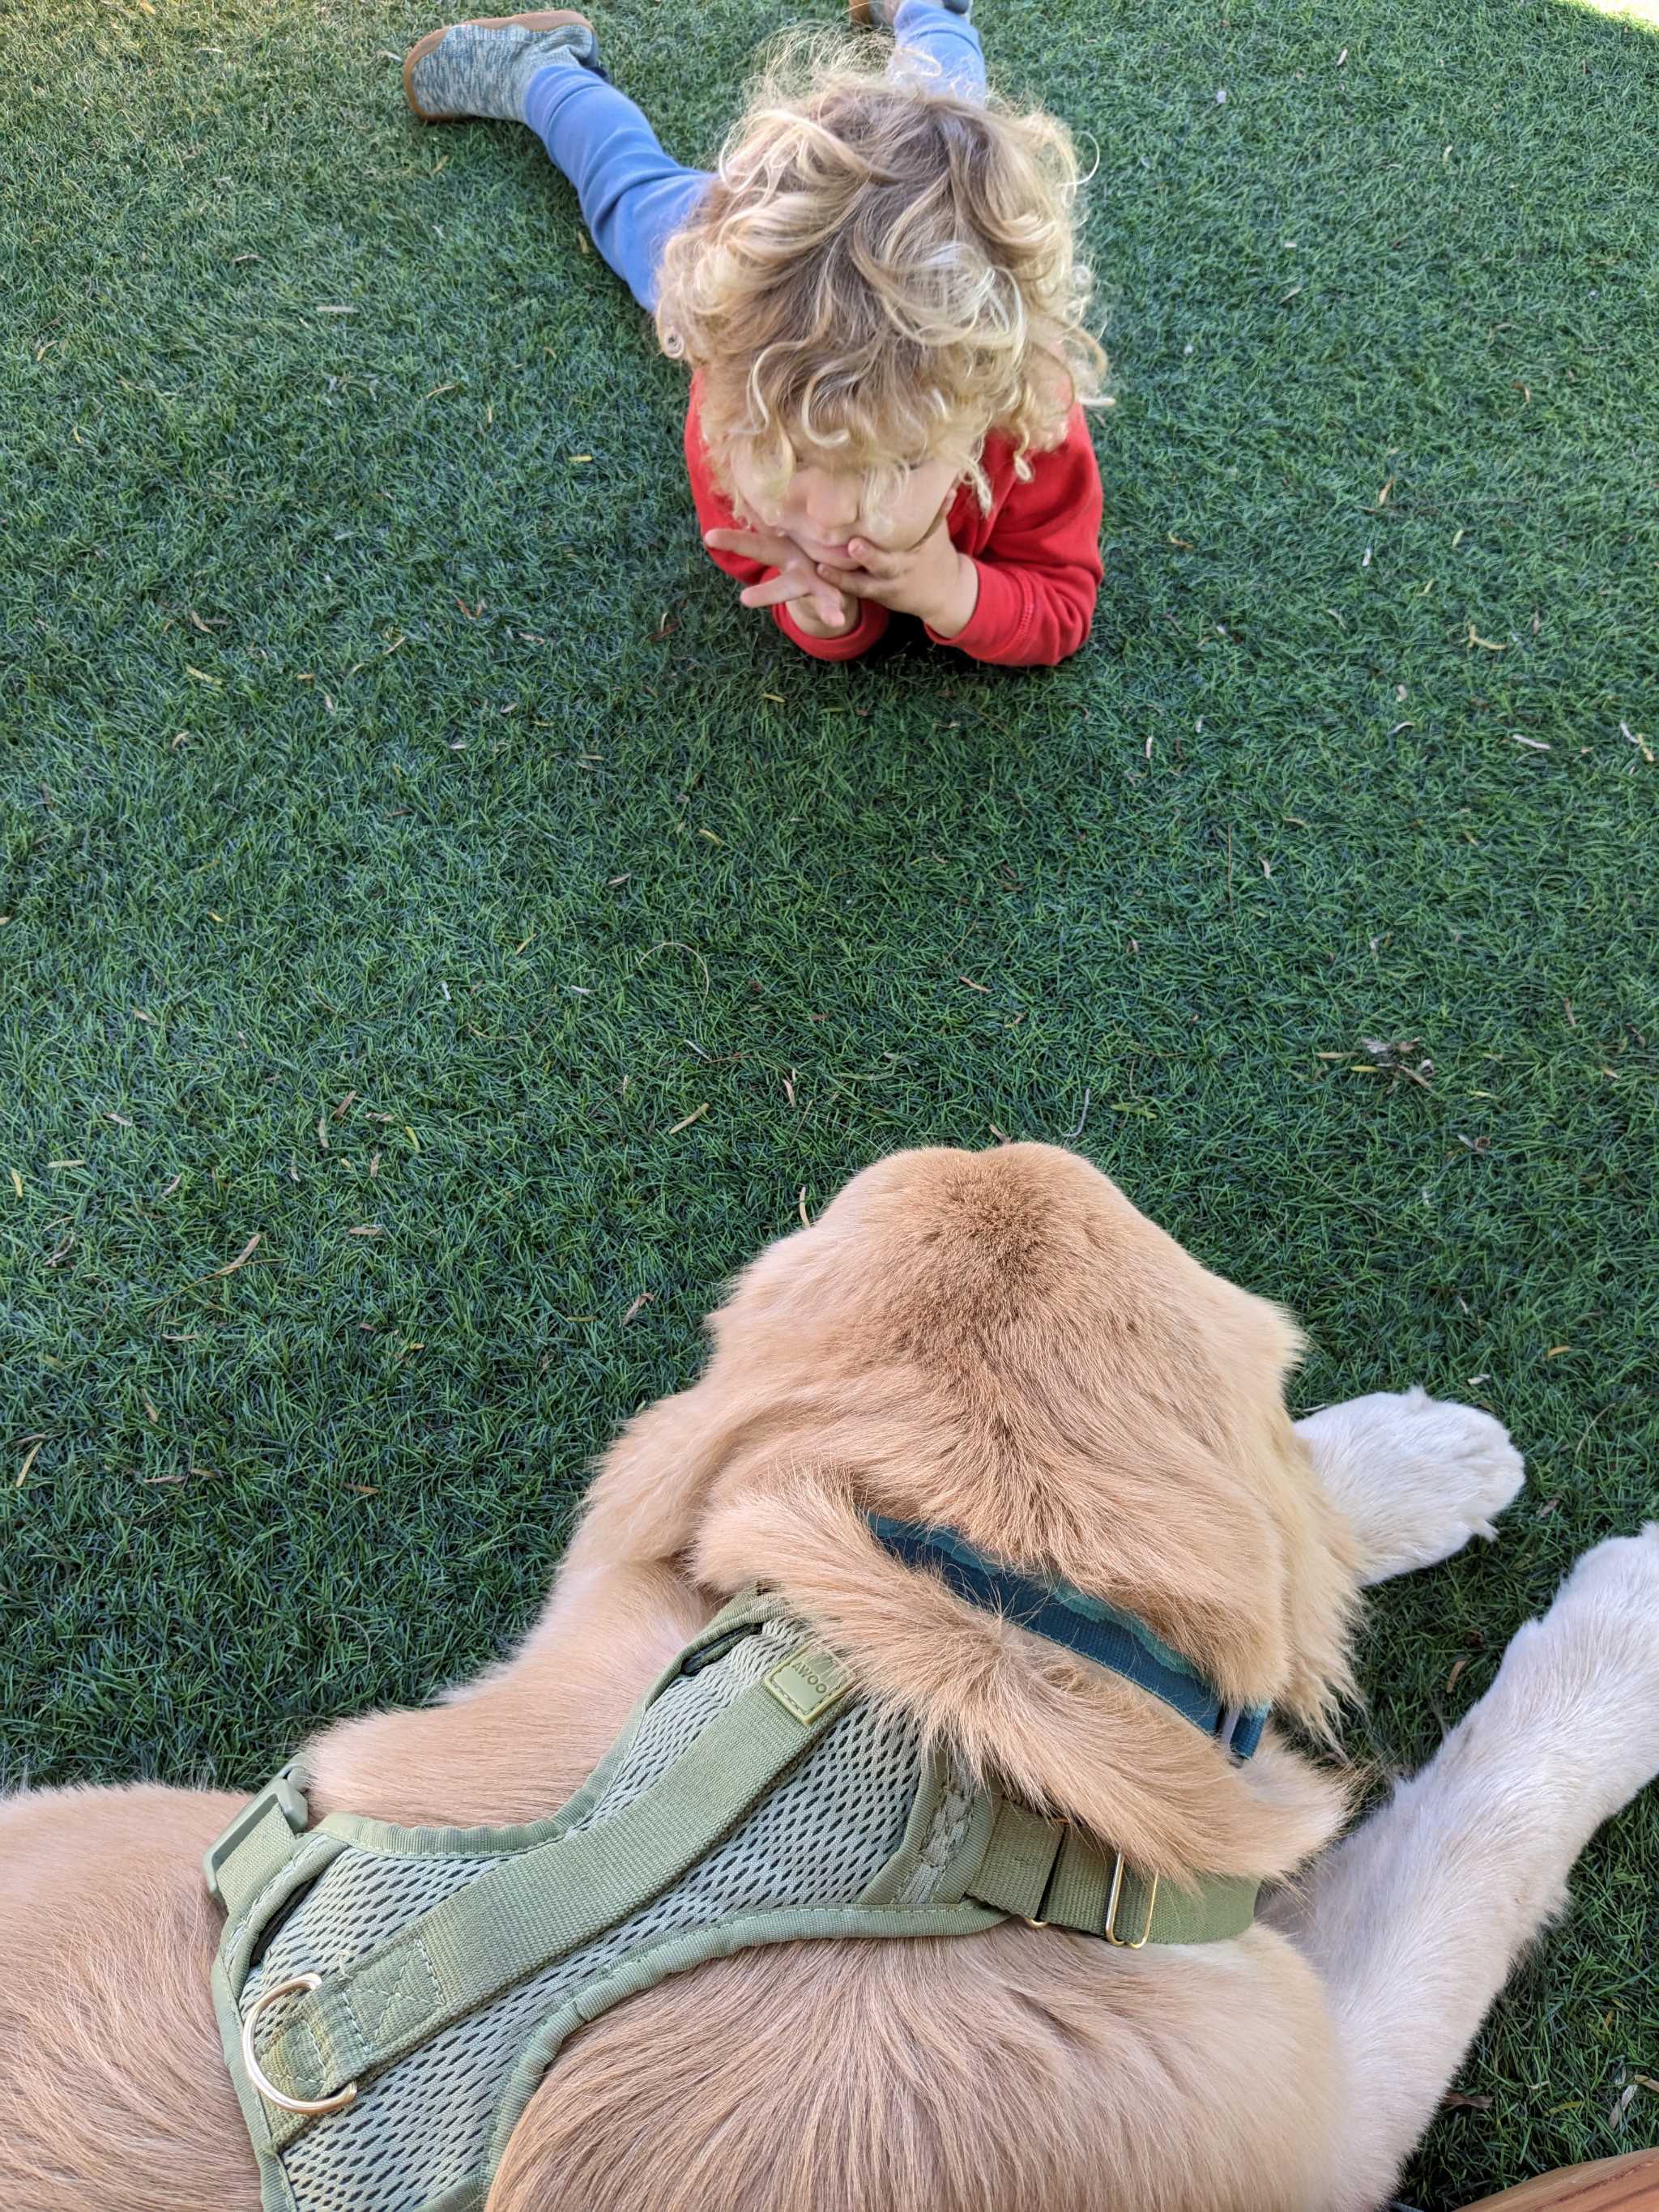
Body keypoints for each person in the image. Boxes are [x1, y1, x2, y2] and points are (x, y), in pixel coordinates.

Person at [404, 2, 1107, 664]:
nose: (827, 519)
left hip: (940, 247)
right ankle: (545, 70)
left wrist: (952, 590)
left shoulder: (1022, 405)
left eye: (893, 466)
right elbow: (776, 575)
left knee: (952, 111)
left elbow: (1063, 605)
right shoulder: (736, 402)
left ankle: (930, 11)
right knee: (627, 194)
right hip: (761, 235)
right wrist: (822, 614)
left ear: (987, 411)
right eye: (793, 456)